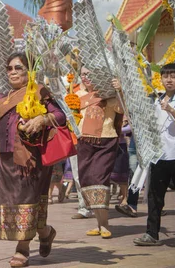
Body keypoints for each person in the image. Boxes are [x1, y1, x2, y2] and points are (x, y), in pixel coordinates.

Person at [0, 52, 64, 268]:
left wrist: (42, 119)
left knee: (27, 200)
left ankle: (22, 249)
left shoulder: (39, 91)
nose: (13, 72)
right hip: (6, 159)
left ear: (28, 71)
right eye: (10, 68)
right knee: (14, 203)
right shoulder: (4, 98)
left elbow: (60, 116)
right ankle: (45, 232)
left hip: (30, 159)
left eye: (18, 68)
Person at [133, 63, 175, 246]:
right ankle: (152, 234)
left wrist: (171, 110)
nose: (169, 80)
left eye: (173, 76)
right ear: (160, 78)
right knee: (155, 197)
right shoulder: (156, 99)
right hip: (160, 156)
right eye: (165, 76)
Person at [76, 66, 123, 239]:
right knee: (87, 181)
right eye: (83, 74)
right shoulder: (78, 95)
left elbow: (122, 109)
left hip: (105, 140)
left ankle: (104, 225)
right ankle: (99, 223)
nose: (87, 77)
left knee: (99, 180)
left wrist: (119, 91)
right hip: (84, 141)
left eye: (90, 74)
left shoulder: (108, 94)